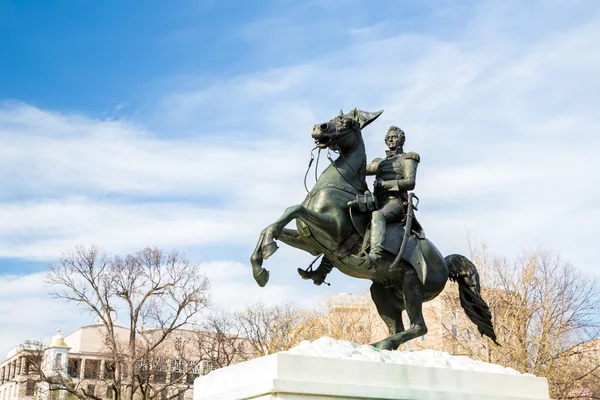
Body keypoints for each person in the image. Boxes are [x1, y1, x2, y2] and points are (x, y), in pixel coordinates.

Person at [365, 126, 420, 267]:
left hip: (395, 203)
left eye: (394, 137)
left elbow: (410, 182)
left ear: (401, 139)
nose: (390, 139)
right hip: (377, 200)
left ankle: (375, 254)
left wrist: (385, 184)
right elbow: (360, 168)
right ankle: (325, 267)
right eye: (388, 137)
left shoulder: (407, 158)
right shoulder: (380, 162)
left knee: (378, 216)